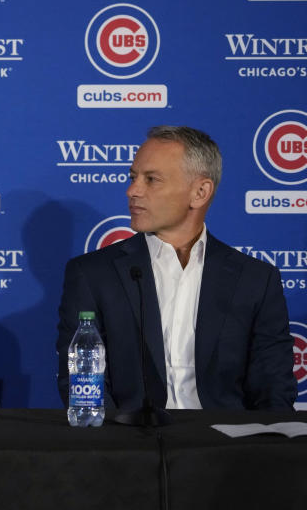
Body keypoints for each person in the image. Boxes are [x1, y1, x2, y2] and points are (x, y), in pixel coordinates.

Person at [56, 126, 295, 411]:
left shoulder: (256, 279)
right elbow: (83, 385)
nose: (132, 190)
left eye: (151, 179)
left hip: (224, 447)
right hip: (128, 445)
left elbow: (273, 389)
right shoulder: (92, 274)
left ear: (200, 192)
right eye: (133, 178)